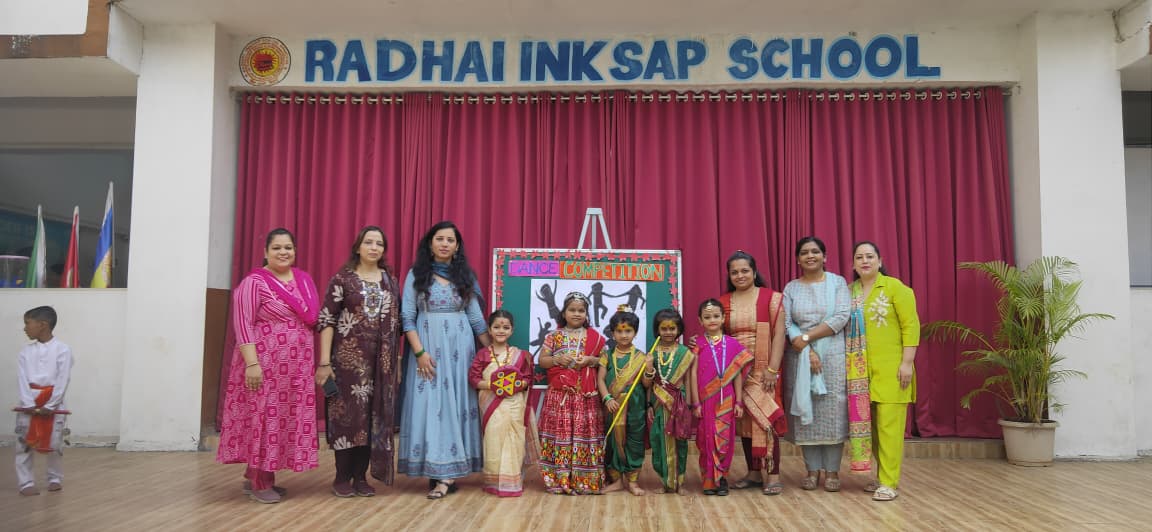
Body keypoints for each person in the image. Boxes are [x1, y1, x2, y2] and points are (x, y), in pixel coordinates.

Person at [217, 228, 321, 504]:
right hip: (266, 365)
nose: (283, 252)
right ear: (265, 252)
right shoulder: (254, 282)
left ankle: (259, 474)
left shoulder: (303, 280)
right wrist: (252, 364)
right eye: (277, 248)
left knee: (281, 419)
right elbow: (243, 323)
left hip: (296, 368)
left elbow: (312, 318)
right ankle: (260, 481)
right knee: (264, 418)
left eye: (288, 247)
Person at [399, 221, 491, 500]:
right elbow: (407, 317)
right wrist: (419, 353)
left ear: (457, 246)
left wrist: (497, 354)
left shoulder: (465, 276)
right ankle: (437, 467)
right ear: (430, 243)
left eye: (450, 240)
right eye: (439, 239)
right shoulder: (417, 274)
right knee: (431, 406)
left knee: (455, 405)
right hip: (427, 351)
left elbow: (476, 319)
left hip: (460, 351)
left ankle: (447, 474)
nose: (444, 244)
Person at [314, 226, 401, 498]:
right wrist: (324, 362)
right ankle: (342, 477)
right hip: (347, 363)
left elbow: (396, 325)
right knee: (347, 418)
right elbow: (327, 320)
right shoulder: (342, 279)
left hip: (381, 365)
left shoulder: (390, 282)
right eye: (369, 242)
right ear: (358, 247)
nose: (374, 248)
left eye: (379, 244)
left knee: (372, 418)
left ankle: (361, 477)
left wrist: (396, 363)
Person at [849, 241, 920, 502]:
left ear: (880, 261)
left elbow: (911, 325)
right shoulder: (850, 292)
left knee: (889, 427)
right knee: (871, 428)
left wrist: (907, 362)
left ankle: (889, 482)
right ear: (853, 264)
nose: (865, 261)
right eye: (859, 257)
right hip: (859, 372)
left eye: (870, 256)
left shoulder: (895, 288)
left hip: (892, 370)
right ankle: (882, 476)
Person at [782, 237, 851, 492]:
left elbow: (841, 316)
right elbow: (787, 322)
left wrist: (808, 338)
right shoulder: (791, 288)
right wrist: (805, 347)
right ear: (798, 259)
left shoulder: (837, 283)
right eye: (804, 252)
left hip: (832, 355)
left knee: (833, 410)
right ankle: (811, 470)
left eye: (815, 251)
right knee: (806, 409)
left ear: (824, 256)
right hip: (799, 356)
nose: (810, 256)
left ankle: (832, 471)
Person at [720, 251, 787, 495]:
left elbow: (779, 335)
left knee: (766, 419)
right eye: (734, 272)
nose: (740, 275)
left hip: (765, 371)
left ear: (754, 272)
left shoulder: (772, 298)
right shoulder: (724, 302)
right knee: (745, 423)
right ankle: (754, 473)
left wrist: (772, 369)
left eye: (745, 271)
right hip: (737, 372)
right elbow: (718, 335)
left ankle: (773, 474)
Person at [537, 291, 607, 495]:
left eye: (581, 310)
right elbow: (542, 361)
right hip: (560, 396)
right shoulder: (554, 336)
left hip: (585, 397)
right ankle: (559, 478)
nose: (576, 314)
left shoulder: (595, 338)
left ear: (586, 313)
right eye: (572, 310)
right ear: (564, 313)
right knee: (561, 435)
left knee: (585, 435)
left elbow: (605, 361)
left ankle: (585, 480)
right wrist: (557, 359)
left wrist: (590, 360)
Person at [468, 309, 534, 497]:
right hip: (491, 404)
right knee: (493, 439)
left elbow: (527, 379)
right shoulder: (483, 355)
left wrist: (515, 385)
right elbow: (473, 378)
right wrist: (493, 385)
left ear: (512, 330)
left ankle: (512, 481)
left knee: (514, 439)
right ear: (489, 330)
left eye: (505, 327)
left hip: (514, 403)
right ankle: (494, 482)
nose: (501, 331)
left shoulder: (520, 355)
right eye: (496, 327)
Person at [693, 298, 754, 496]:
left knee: (724, 439)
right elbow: (692, 376)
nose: (712, 320)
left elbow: (737, 375)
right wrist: (695, 403)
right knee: (706, 439)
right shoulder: (697, 345)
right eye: (707, 317)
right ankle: (708, 481)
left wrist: (739, 401)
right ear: (700, 320)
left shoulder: (732, 344)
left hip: (727, 399)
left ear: (723, 318)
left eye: (716, 316)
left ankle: (722, 479)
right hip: (705, 400)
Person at [14, 306, 73, 496]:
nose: (25, 328)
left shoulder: (63, 350)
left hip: (52, 401)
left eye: (28, 323)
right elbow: (22, 379)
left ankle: (54, 477)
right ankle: (25, 482)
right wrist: (28, 404)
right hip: (29, 401)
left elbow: (63, 379)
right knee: (24, 443)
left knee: (55, 443)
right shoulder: (25, 352)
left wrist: (50, 404)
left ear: (42, 325)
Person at [598, 306, 652, 496]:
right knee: (613, 443)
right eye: (619, 331)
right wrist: (607, 398)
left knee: (634, 442)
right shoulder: (607, 355)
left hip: (635, 408)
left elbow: (646, 384)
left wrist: (649, 369)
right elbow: (600, 379)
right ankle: (616, 481)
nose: (624, 335)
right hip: (612, 407)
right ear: (612, 333)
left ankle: (633, 481)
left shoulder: (641, 357)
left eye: (628, 331)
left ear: (635, 333)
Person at [647, 308, 696, 495]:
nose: (668, 332)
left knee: (680, 443)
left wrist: (690, 404)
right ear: (657, 330)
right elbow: (648, 384)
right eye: (664, 328)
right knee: (659, 441)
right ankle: (665, 482)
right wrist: (649, 404)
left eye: (672, 328)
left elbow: (688, 380)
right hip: (659, 403)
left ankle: (679, 482)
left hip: (679, 404)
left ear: (679, 329)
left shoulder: (685, 353)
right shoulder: (653, 352)